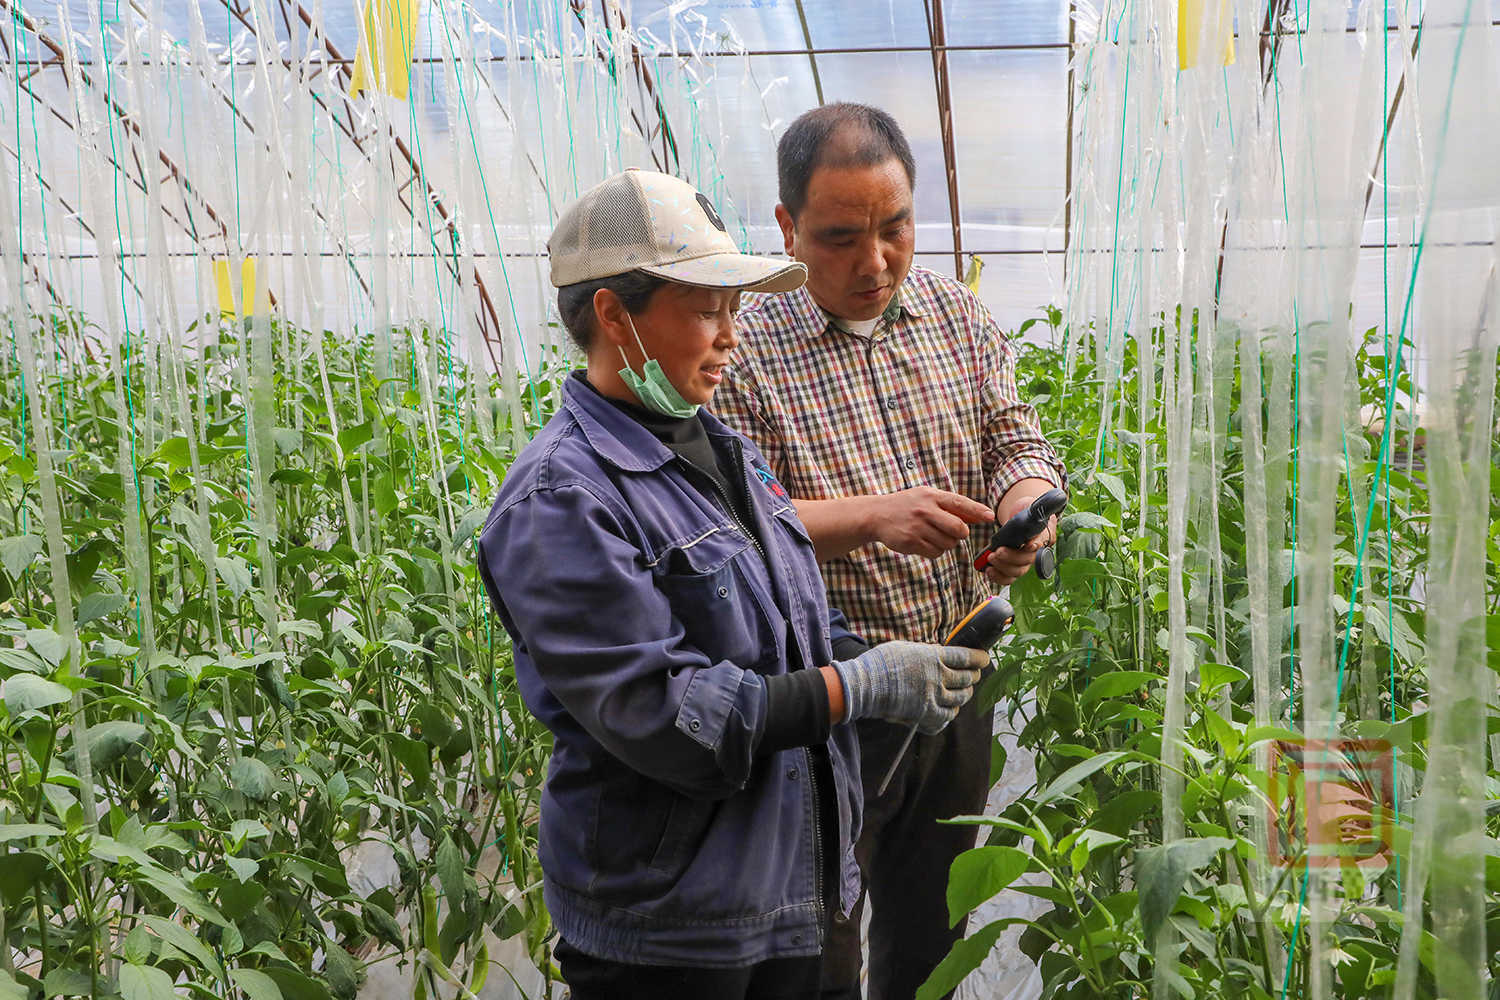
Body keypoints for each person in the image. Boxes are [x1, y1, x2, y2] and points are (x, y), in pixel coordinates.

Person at [475, 168, 991, 1000]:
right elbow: (667, 716)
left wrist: (876, 662)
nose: (729, 337)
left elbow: (785, 622)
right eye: (705, 310)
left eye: (734, 310)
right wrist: (857, 687)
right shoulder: (562, 500)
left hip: (788, 892)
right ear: (613, 315)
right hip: (673, 929)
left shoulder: (724, 451)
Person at [711, 105, 1068, 1000]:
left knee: (931, 921)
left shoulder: (955, 314)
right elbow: (732, 524)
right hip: (832, 702)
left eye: (895, 228)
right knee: (819, 937)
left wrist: (1024, 503)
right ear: (788, 227)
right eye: (840, 238)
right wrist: (873, 517)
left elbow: (1013, 435)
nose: (874, 262)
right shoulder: (742, 350)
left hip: (957, 675)